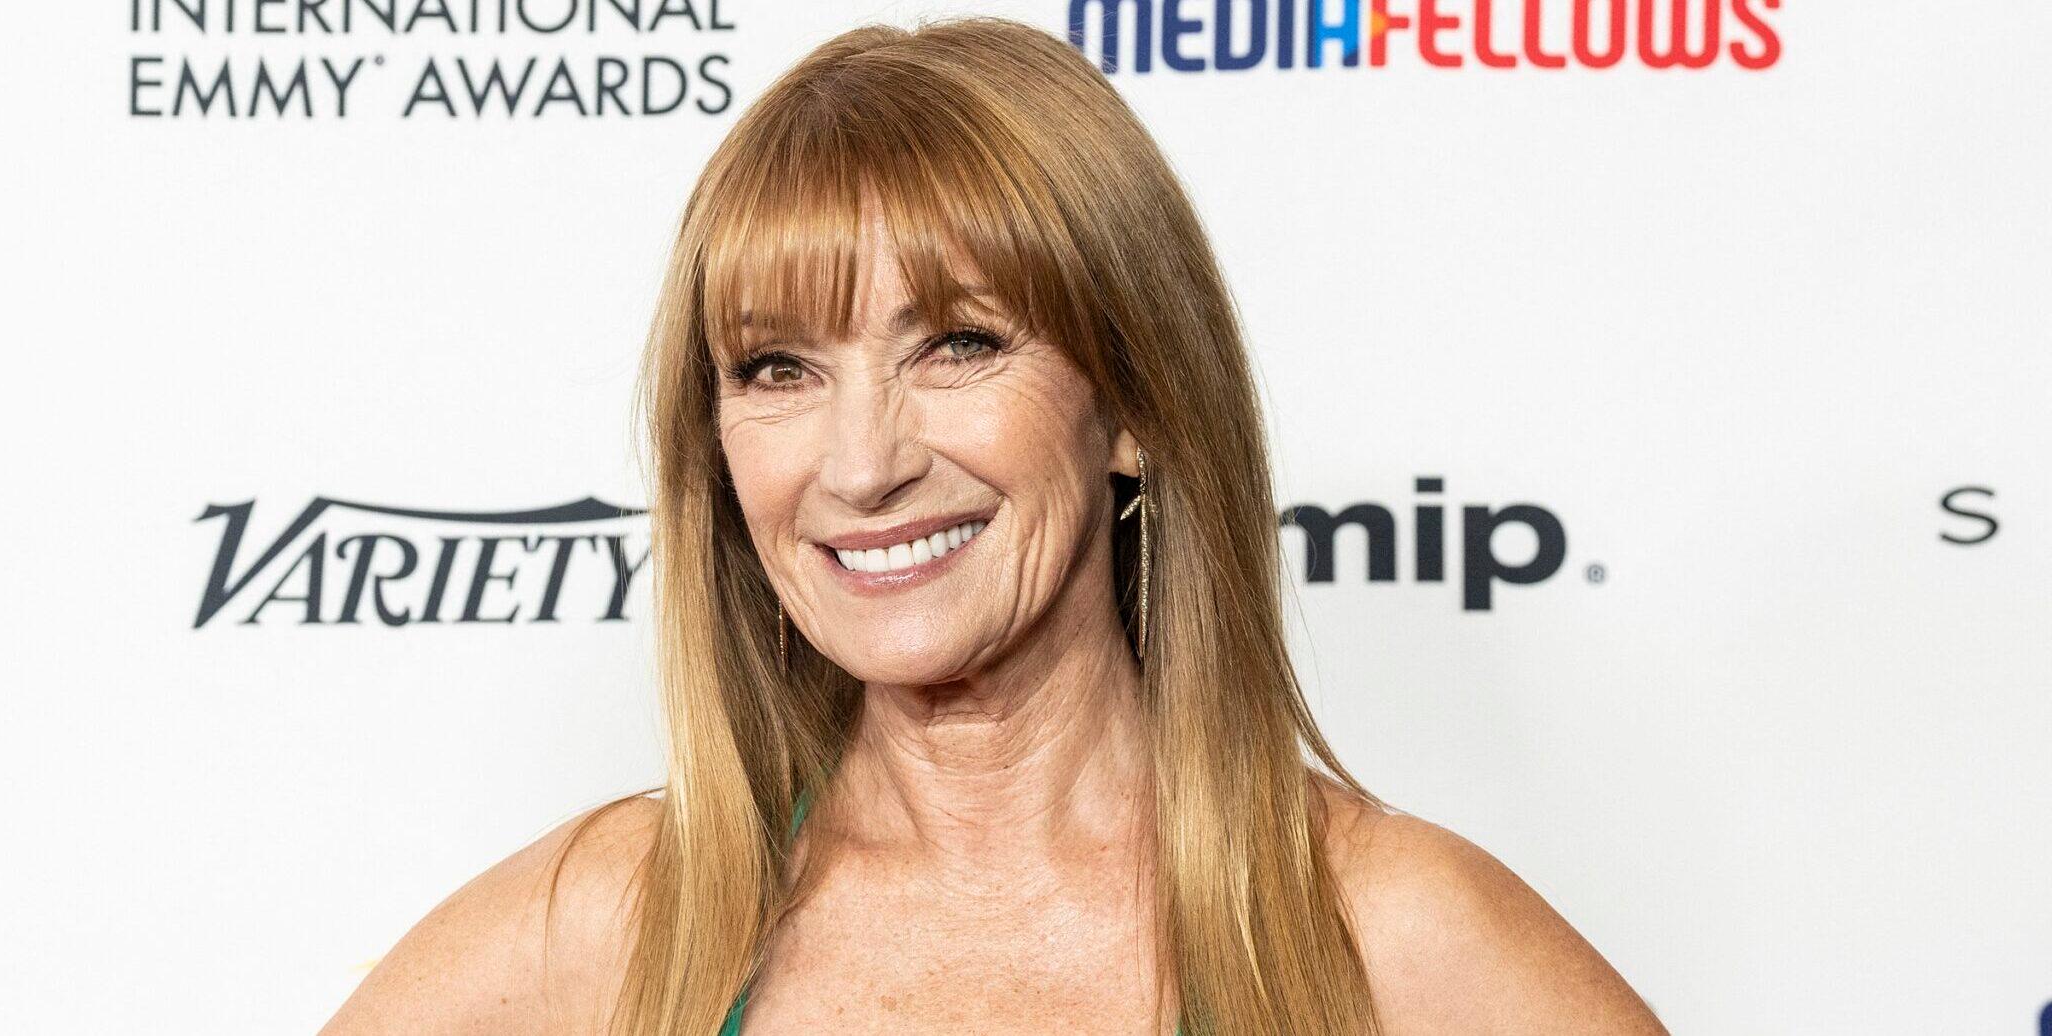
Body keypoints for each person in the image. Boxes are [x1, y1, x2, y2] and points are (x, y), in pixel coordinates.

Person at [321, 15, 1666, 1035]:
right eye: (777, 369)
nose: (861, 464)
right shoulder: (611, 927)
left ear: (1132, 398)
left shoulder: (1386, 935)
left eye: (959, 345)